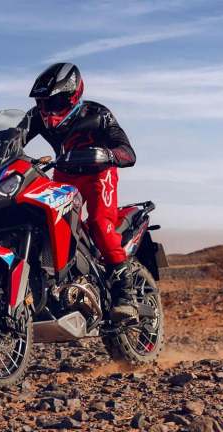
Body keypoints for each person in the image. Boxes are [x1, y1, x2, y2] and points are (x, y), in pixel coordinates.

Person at [26, 62, 138, 323]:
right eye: (43, 103)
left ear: (73, 96)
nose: (48, 110)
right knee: (47, 223)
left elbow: (128, 152)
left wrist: (108, 154)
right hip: (64, 172)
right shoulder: (36, 117)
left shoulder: (98, 114)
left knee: (99, 223)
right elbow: (14, 137)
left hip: (99, 173)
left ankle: (125, 295)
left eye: (55, 102)